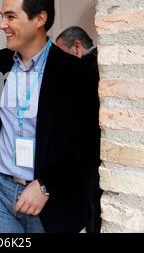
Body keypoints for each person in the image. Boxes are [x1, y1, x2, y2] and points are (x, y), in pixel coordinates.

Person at [0, 0, 98, 233]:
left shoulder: (74, 72)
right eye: (2, 16)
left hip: (49, 197)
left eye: (11, 16)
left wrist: (46, 185)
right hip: (1, 188)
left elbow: (87, 142)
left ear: (40, 18)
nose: (2, 24)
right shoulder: (2, 61)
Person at [56, 26, 102, 233]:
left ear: (76, 47)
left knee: (93, 206)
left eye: (61, 53)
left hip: (90, 153)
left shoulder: (88, 68)